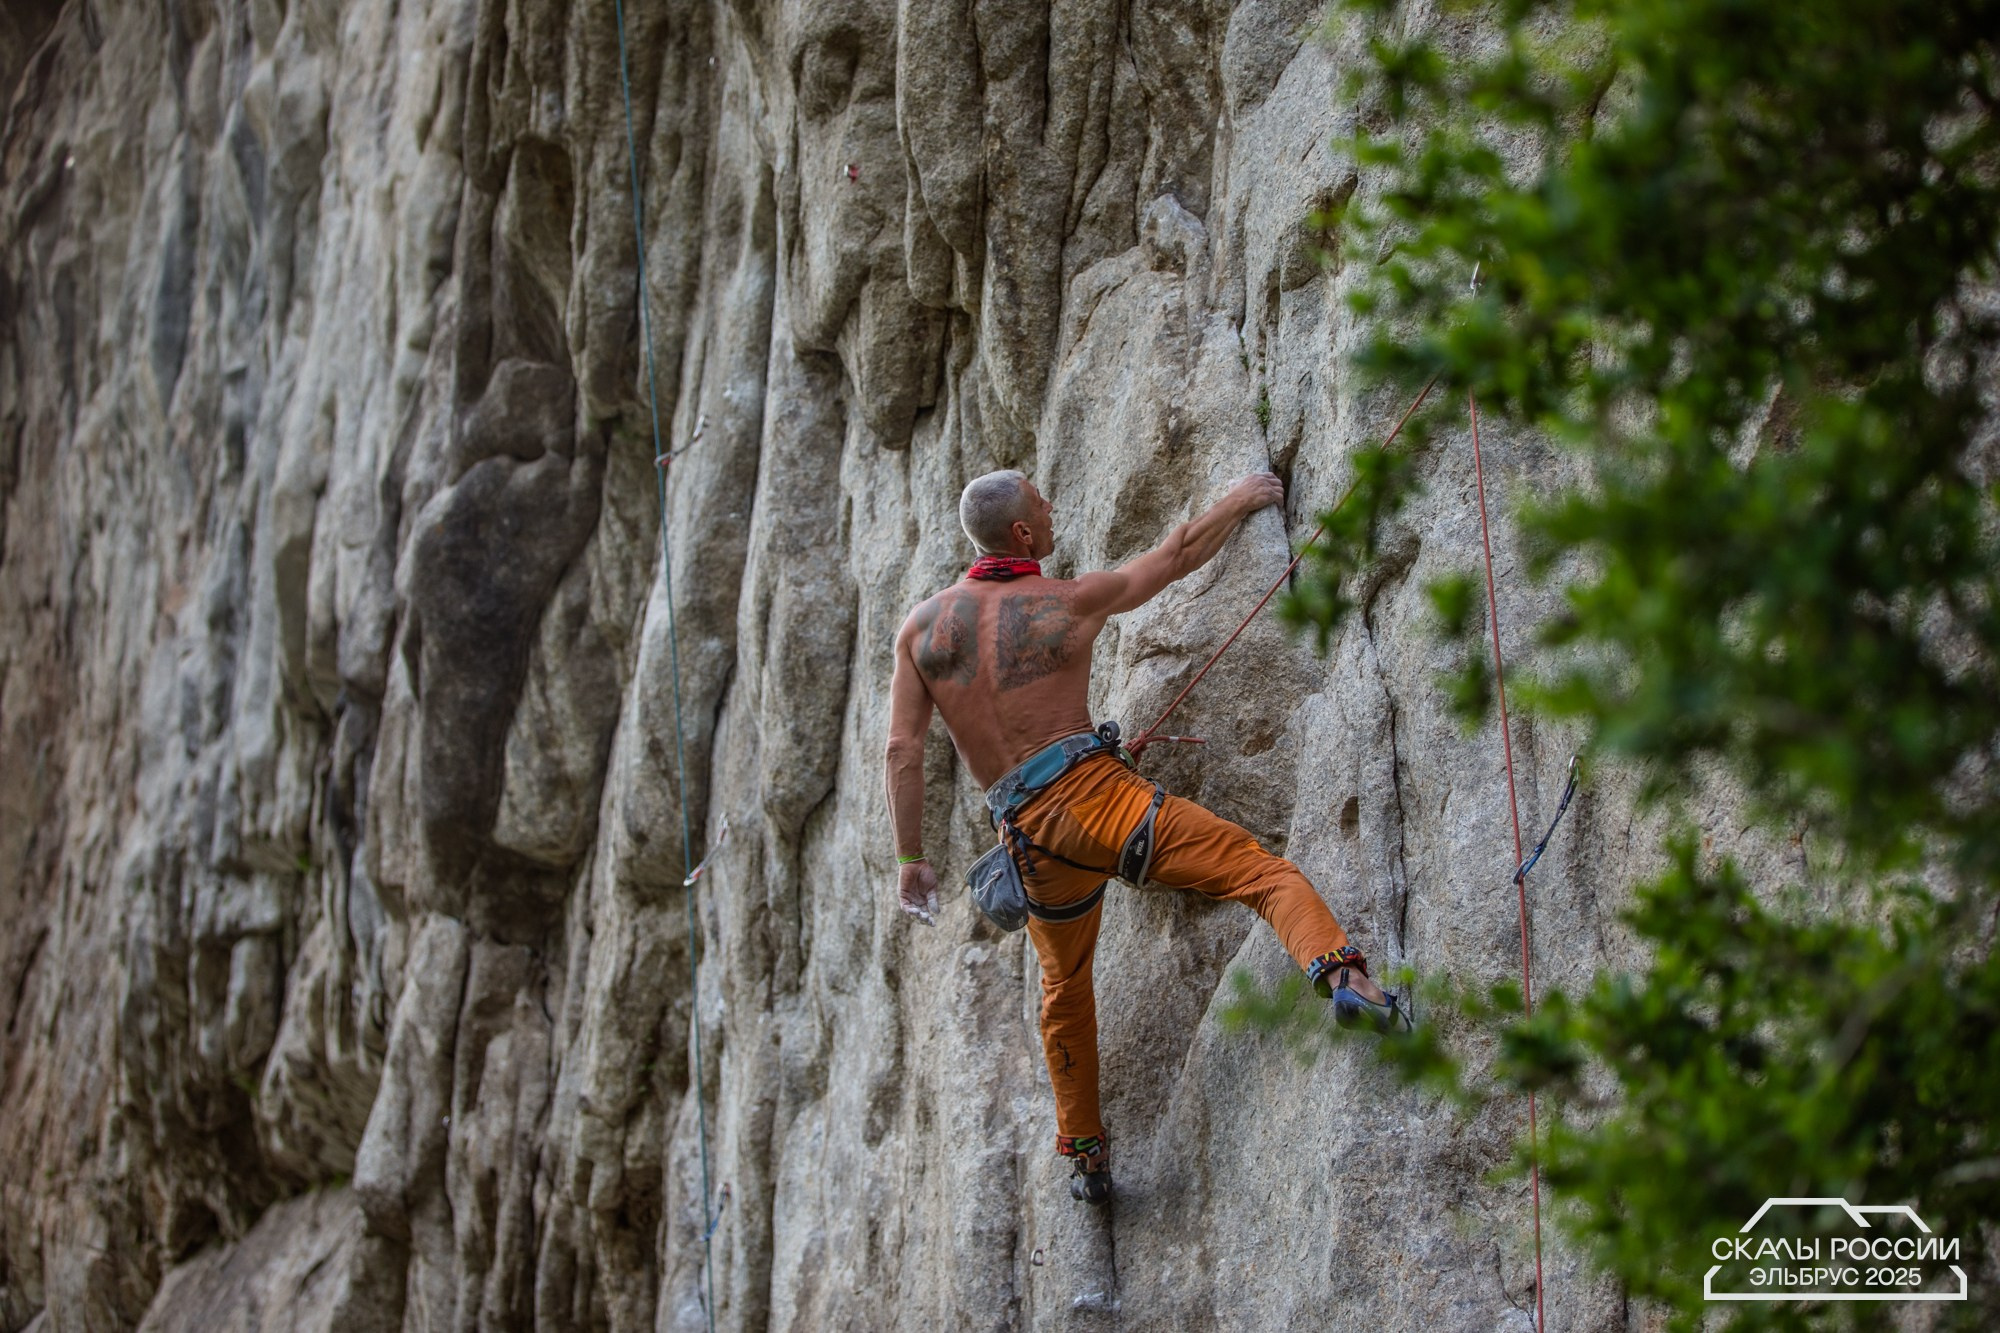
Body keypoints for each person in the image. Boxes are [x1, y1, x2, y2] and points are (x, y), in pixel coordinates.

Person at [882, 469, 1407, 1204]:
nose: (1053, 504)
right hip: (1104, 802)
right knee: (1259, 872)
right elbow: (1178, 553)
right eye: (1043, 500)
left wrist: (911, 858)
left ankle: (1087, 1156)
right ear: (1024, 533)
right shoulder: (1068, 601)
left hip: (1031, 843)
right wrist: (1244, 497)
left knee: (1064, 993)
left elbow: (902, 750)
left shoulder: (920, 632)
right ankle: (1346, 979)